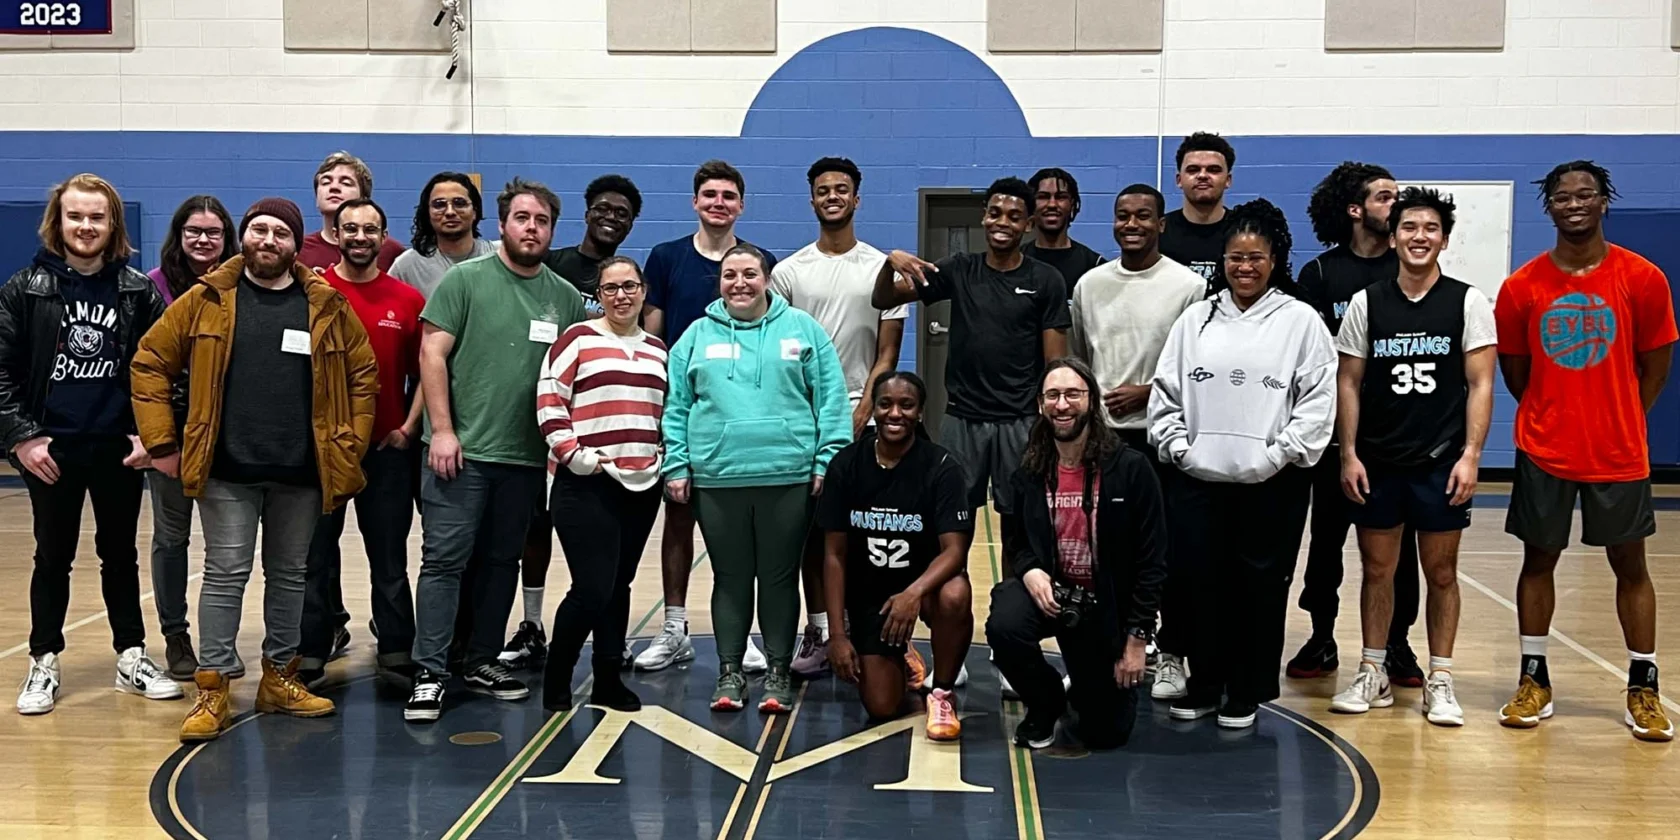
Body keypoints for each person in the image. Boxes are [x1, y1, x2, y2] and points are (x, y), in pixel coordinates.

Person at [131, 196, 379, 742]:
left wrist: (349, 445)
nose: (269, 240)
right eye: (259, 230)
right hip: (227, 469)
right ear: (245, 235)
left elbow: (364, 376)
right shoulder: (206, 298)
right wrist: (162, 442)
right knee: (225, 574)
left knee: (291, 576)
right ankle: (213, 686)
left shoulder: (326, 305)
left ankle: (279, 678)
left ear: (297, 245)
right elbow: (149, 363)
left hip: (303, 472)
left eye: (281, 234)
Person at [1494, 161, 1676, 742]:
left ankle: (1642, 686)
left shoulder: (1642, 277)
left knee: (1631, 566)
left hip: (1619, 450)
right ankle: (1533, 678)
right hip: (1545, 447)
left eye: (1586, 195)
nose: (1574, 204)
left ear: (1605, 202)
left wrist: (1616, 413)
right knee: (1538, 560)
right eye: (1562, 197)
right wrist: (1560, 412)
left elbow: (1655, 368)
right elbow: (1518, 375)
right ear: (1548, 207)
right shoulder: (1522, 287)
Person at [404, 178, 588, 723]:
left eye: (542, 221)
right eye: (522, 218)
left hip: (526, 460)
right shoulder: (465, 281)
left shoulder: (564, 298)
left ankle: (481, 659)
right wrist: (442, 430)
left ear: (552, 230)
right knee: (443, 563)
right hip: (461, 454)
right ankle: (429, 672)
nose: (532, 228)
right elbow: (431, 354)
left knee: (501, 562)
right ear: (503, 224)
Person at [1147, 198, 1335, 730]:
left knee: (1258, 588)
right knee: (1197, 583)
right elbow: (1166, 392)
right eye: (1234, 257)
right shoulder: (1196, 320)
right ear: (1222, 260)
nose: (1244, 267)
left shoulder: (1300, 322)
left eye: (1255, 257)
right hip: (1198, 481)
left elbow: (1318, 401)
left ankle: (1245, 690)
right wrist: (1179, 447)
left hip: (1271, 484)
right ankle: (1205, 682)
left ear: (1275, 258)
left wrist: (1279, 454)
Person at [7, 174, 177, 716]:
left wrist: (151, 435)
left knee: (119, 555)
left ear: (113, 225)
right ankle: (44, 659)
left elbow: (169, 370)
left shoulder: (136, 290)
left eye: (96, 217)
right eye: (75, 216)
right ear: (58, 222)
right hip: (50, 451)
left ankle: (131, 654)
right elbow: (2, 373)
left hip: (117, 448)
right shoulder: (24, 289)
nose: (85, 226)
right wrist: (23, 439)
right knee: (51, 557)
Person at [1326, 188, 1496, 727]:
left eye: (1429, 228)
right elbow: (1348, 382)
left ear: (1444, 239)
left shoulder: (1467, 301)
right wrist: (1348, 453)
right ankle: (1372, 669)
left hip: (1440, 461)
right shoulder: (1367, 301)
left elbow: (1481, 383)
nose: (1418, 237)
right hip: (1378, 460)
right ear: (1393, 236)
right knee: (1378, 570)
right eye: (1408, 228)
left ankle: (1440, 678)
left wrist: (1471, 456)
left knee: (1441, 571)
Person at [663, 244, 849, 713]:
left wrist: (827, 459)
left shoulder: (803, 330)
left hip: (787, 477)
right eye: (729, 275)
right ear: (719, 282)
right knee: (730, 578)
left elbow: (831, 400)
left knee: (778, 578)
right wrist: (678, 464)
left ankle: (778, 673)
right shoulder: (695, 336)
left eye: (749, 273)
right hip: (718, 477)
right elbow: (676, 406)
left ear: (767, 278)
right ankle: (729, 673)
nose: (739, 283)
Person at [871, 177, 1070, 568]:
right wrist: (887, 261)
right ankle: (951, 610)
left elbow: (1056, 365)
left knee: (1019, 526)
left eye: (1014, 216)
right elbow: (883, 298)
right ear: (984, 217)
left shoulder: (1045, 280)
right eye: (995, 213)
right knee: (950, 523)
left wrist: (1047, 422)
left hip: (1020, 422)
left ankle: (1014, 610)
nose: (1003, 222)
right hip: (962, 419)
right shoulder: (959, 269)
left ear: (1028, 224)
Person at [636, 160, 778, 673]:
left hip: (742, 420)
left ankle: (742, 630)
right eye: (709, 195)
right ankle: (675, 628)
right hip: (685, 411)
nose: (719, 203)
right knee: (678, 519)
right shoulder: (666, 257)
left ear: (741, 204)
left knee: (742, 531)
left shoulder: (762, 261)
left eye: (728, 196)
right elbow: (652, 336)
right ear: (695, 202)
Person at [769, 156, 908, 678]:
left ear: (857, 198)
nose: (833, 196)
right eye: (823, 189)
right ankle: (821, 629)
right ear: (812, 199)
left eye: (842, 189)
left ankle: (872, 630)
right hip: (802, 421)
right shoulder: (787, 272)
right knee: (814, 535)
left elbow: (887, 358)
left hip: (862, 418)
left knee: (866, 534)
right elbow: (779, 352)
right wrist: (814, 421)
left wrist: (862, 413)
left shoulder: (881, 270)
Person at [501, 173, 644, 674]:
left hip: (614, 443)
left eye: (622, 213)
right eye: (602, 208)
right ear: (586, 212)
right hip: (555, 434)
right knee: (537, 534)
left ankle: (608, 644)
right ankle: (533, 625)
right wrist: (567, 441)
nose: (611, 217)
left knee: (607, 570)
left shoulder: (639, 313)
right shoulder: (554, 268)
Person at [1289, 162, 1425, 687]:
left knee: (1399, 549)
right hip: (1333, 437)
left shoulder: (1408, 273)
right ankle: (1321, 635)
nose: (1397, 205)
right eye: (1386, 197)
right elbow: (1314, 357)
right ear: (1355, 209)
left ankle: (1397, 644)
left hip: (1395, 437)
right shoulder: (1321, 276)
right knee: (1326, 543)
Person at [1067, 183, 1205, 701]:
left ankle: (1169, 654)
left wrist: (1147, 391)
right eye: (1123, 216)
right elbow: (1081, 359)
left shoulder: (1187, 286)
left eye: (1143, 216)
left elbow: (1197, 366)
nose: (1132, 225)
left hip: (1160, 438)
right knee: (1100, 554)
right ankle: (1102, 649)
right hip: (1101, 441)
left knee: (1162, 552)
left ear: (1161, 223)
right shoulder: (1090, 285)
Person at [987, 358, 1166, 749]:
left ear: (1092, 401)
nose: (1062, 405)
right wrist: (1031, 570)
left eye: (1073, 394)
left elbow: (1152, 562)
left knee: (1105, 733)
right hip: (1052, 596)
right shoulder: (1030, 471)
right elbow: (1016, 543)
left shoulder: (1131, 470)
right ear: (1040, 404)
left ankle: (1086, 682)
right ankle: (1045, 701)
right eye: (1053, 395)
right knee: (1005, 621)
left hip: (1105, 609)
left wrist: (1137, 639)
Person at [295, 198, 426, 688]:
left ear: (383, 236)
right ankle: (311, 648)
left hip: (386, 452)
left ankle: (395, 647)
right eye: (350, 228)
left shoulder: (407, 300)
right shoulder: (313, 293)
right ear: (337, 232)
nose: (359, 237)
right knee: (316, 557)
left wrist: (408, 428)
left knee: (389, 558)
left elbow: (425, 374)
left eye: (369, 229)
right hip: (322, 452)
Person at [537, 257, 667, 714]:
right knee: (592, 587)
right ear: (600, 295)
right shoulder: (578, 338)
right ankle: (558, 674)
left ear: (643, 291)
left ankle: (608, 678)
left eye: (629, 287)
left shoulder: (656, 350)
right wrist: (575, 457)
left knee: (620, 585)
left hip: (641, 484)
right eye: (611, 288)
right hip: (585, 484)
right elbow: (550, 399)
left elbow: (664, 414)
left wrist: (662, 458)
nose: (621, 296)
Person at [821, 371, 972, 739]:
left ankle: (942, 692)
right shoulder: (846, 465)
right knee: (882, 707)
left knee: (956, 593)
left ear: (920, 412)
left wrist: (913, 594)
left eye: (907, 405)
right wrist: (838, 635)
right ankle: (901, 656)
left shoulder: (941, 467)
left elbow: (955, 552)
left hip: (925, 586)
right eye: (885, 404)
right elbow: (834, 555)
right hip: (871, 592)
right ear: (873, 408)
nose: (895, 413)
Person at [145, 194, 238, 680]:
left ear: (227, 238)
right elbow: (142, 370)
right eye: (194, 232)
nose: (204, 240)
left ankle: (220, 643)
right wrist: (154, 439)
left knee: (228, 545)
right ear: (178, 237)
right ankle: (176, 635)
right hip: (174, 440)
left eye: (214, 232)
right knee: (171, 538)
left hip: (227, 436)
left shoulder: (241, 285)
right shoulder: (151, 289)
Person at [389, 172, 495, 300]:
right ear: (428, 213)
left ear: (475, 212)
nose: (450, 212)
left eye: (459, 203)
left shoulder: (497, 257)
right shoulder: (406, 267)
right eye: (439, 204)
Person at [298, 151, 406, 275]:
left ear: (364, 198)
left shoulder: (391, 252)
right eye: (326, 182)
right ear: (317, 197)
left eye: (346, 183)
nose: (334, 187)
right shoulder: (298, 251)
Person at [1159, 132, 1237, 295]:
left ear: (1228, 180)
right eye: (1193, 170)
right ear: (1179, 180)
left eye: (1213, 170)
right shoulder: (1158, 232)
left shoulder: (1243, 231)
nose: (1202, 175)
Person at [1022, 168, 1105, 295]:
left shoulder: (1094, 265)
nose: (1052, 204)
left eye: (1061, 197)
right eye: (1043, 197)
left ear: (1072, 204)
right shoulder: (1016, 260)